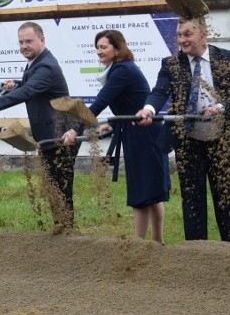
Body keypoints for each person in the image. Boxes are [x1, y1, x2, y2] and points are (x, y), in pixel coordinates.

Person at [136, 15, 230, 242]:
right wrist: (148, 109)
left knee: (225, 198)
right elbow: (159, 91)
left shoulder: (226, 58)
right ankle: (195, 253)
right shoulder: (171, 64)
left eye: (187, 34)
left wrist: (222, 106)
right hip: (188, 142)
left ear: (203, 34)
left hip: (221, 140)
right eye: (179, 35)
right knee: (192, 200)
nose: (182, 40)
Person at [60, 30, 170, 243]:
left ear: (118, 49)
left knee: (143, 194)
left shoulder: (121, 71)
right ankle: (157, 244)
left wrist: (75, 130)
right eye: (97, 48)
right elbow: (129, 103)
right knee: (152, 192)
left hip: (144, 135)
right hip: (143, 133)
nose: (99, 52)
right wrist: (112, 124)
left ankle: (140, 244)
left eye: (104, 47)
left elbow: (99, 104)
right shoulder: (121, 69)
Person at [0, 21, 78, 229]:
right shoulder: (37, 62)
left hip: (60, 137)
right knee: (53, 189)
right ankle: (62, 231)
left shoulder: (46, 66)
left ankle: (69, 236)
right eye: (21, 42)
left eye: (29, 41)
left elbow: (28, 92)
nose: (24, 46)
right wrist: (16, 84)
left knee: (61, 190)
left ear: (42, 40)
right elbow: (30, 86)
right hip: (49, 136)